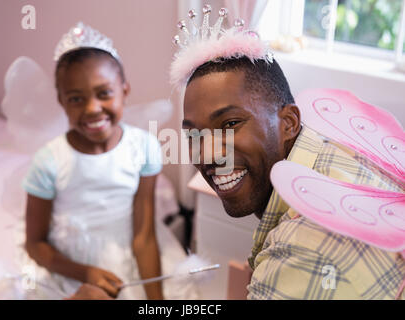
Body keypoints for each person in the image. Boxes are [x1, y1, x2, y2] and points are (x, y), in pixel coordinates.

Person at [173, 6, 405, 299]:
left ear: (289, 123)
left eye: (230, 124)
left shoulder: (300, 253)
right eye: (195, 134)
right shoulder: (336, 145)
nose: (208, 154)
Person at [21, 22, 196, 300]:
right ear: (62, 101)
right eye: (76, 98)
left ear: (124, 90)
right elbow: (35, 244)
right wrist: (85, 273)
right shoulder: (49, 162)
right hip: (68, 267)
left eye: (104, 93)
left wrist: (155, 301)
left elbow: (144, 235)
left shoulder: (144, 147)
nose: (92, 108)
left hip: (129, 254)